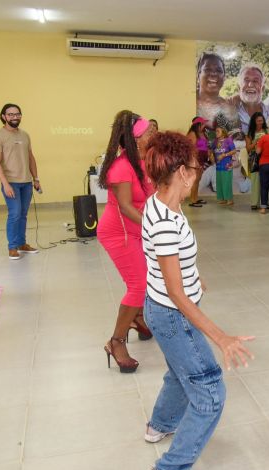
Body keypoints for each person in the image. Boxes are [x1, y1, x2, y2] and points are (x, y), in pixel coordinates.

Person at [141, 131, 254, 470]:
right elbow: (175, 293)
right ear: (181, 172)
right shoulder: (165, 223)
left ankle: (159, 425)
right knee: (209, 392)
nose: (198, 168)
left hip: (162, 306)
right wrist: (221, 337)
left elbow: (170, 267)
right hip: (173, 315)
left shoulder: (162, 203)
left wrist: (193, 276)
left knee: (178, 372)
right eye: (194, 164)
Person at [96, 111, 156, 373]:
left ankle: (138, 319)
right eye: (147, 133)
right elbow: (125, 206)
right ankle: (116, 341)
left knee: (149, 278)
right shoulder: (121, 167)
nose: (153, 135)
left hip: (138, 229)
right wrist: (155, 226)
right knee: (139, 284)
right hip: (119, 232)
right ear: (135, 140)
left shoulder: (144, 161)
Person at [0, 103, 41, 260]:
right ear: (4, 116)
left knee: (23, 214)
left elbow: (30, 157)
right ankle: (12, 247)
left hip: (26, 182)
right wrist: (5, 184)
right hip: (10, 182)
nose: (14, 117)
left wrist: (36, 178)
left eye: (17, 114)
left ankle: (22, 244)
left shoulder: (25, 135)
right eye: (10, 114)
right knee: (15, 213)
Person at [195, 53, 239, 135]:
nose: (213, 74)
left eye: (219, 71)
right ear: (198, 75)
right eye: (207, 69)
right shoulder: (187, 101)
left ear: (224, 77)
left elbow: (237, 138)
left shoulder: (230, 110)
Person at [231, 63, 269, 135]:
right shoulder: (229, 112)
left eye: (255, 81)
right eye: (246, 80)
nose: (250, 84)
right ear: (239, 88)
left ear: (262, 89)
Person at [245, 112, 267, 210]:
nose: (260, 123)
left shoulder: (267, 131)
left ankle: (266, 202)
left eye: (261, 121)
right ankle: (254, 202)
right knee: (255, 181)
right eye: (258, 121)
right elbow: (248, 149)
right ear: (254, 121)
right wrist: (255, 141)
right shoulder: (250, 133)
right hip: (255, 159)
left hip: (266, 157)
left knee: (266, 181)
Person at [186, 117, 209, 207]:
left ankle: (195, 198)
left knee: (198, 179)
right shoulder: (192, 134)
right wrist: (194, 161)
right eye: (202, 124)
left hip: (202, 159)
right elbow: (190, 149)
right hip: (196, 159)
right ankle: (192, 200)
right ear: (198, 125)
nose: (204, 125)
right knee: (195, 180)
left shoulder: (202, 133)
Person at [210, 127, 236, 206]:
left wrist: (224, 155)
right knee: (220, 182)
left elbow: (234, 151)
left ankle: (229, 199)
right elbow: (212, 151)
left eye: (218, 131)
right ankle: (222, 199)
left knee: (227, 182)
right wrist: (211, 156)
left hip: (227, 165)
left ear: (223, 132)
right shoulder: (215, 141)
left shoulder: (228, 140)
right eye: (216, 131)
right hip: (218, 165)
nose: (216, 132)